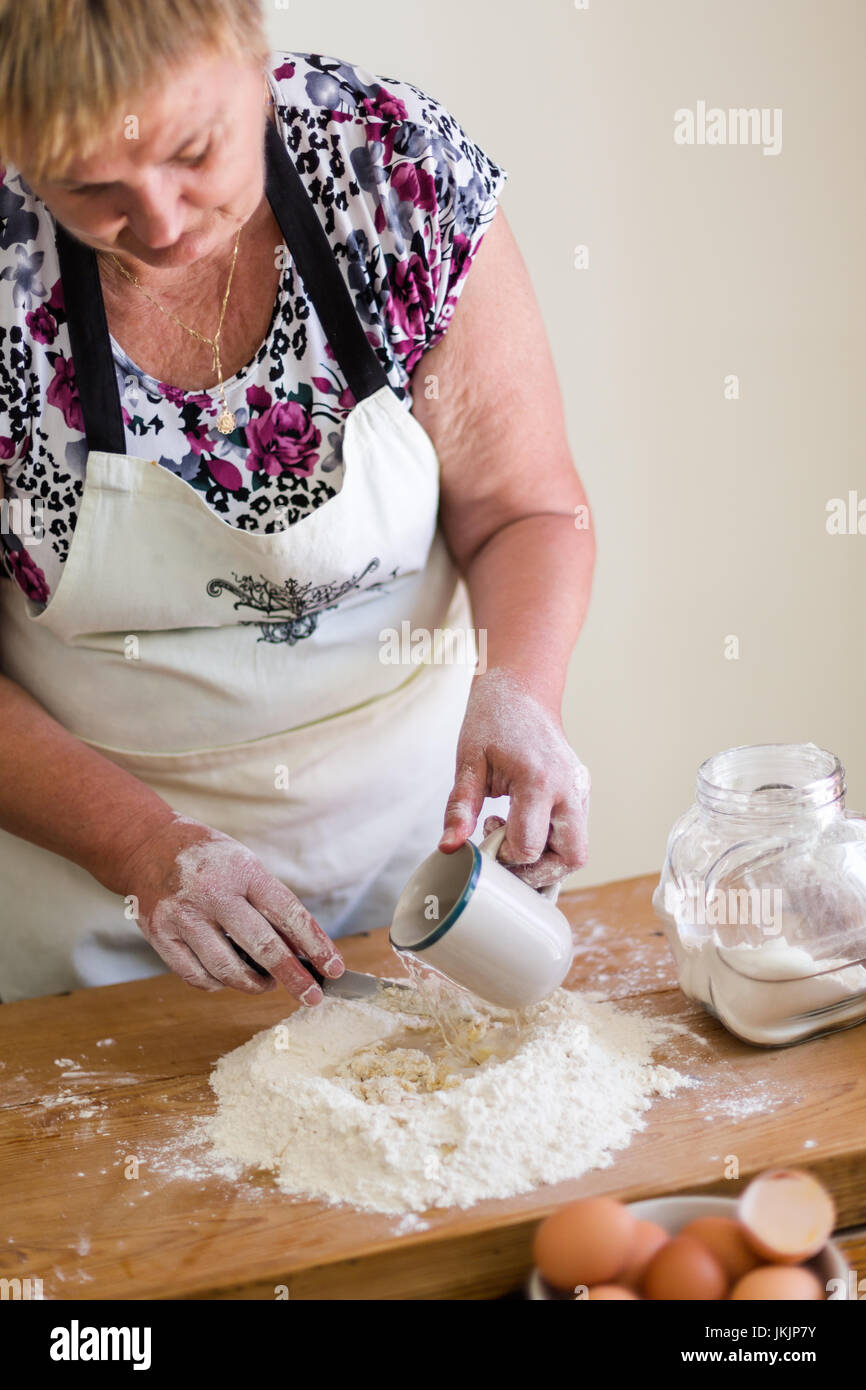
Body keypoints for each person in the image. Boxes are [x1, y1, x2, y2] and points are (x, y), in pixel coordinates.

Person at [0, 0, 594, 1004]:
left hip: (412, 869)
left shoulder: (389, 173)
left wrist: (521, 697)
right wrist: (147, 849)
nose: (158, 221)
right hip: (96, 918)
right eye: (89, 187)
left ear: (251, 53)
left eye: (195, 150)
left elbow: (522, 511)